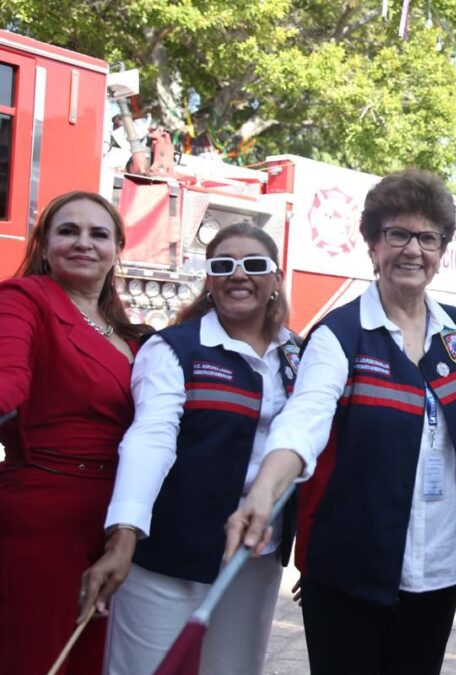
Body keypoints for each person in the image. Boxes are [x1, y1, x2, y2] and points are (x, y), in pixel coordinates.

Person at [225, 168, 456, 675]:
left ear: (442, 250)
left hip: (438, 570)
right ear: (372, 244)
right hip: (349, 569)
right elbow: (304, 420)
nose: (413, 249)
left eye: (428, 237)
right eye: (397, 234)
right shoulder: (340, 335)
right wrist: (262, 493)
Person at [75, 223, 298, 673]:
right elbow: (150, 438)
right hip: (171, 551)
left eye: (254, 265)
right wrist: (124, 534)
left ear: (276, 280)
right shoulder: (173, 349)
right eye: (223, 266)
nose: (239, 275)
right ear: (209, 281)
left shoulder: (300, 354)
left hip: (253, 558)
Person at [0, 191, 150, 675]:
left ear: (116, 249)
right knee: (38, 657)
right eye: (68, 231)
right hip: (43, 519)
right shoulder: (23, 300)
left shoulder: (131, 335)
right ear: (44, 247)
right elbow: (7, 379)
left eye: (98, 233)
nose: (83, 243)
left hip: (116, 521)